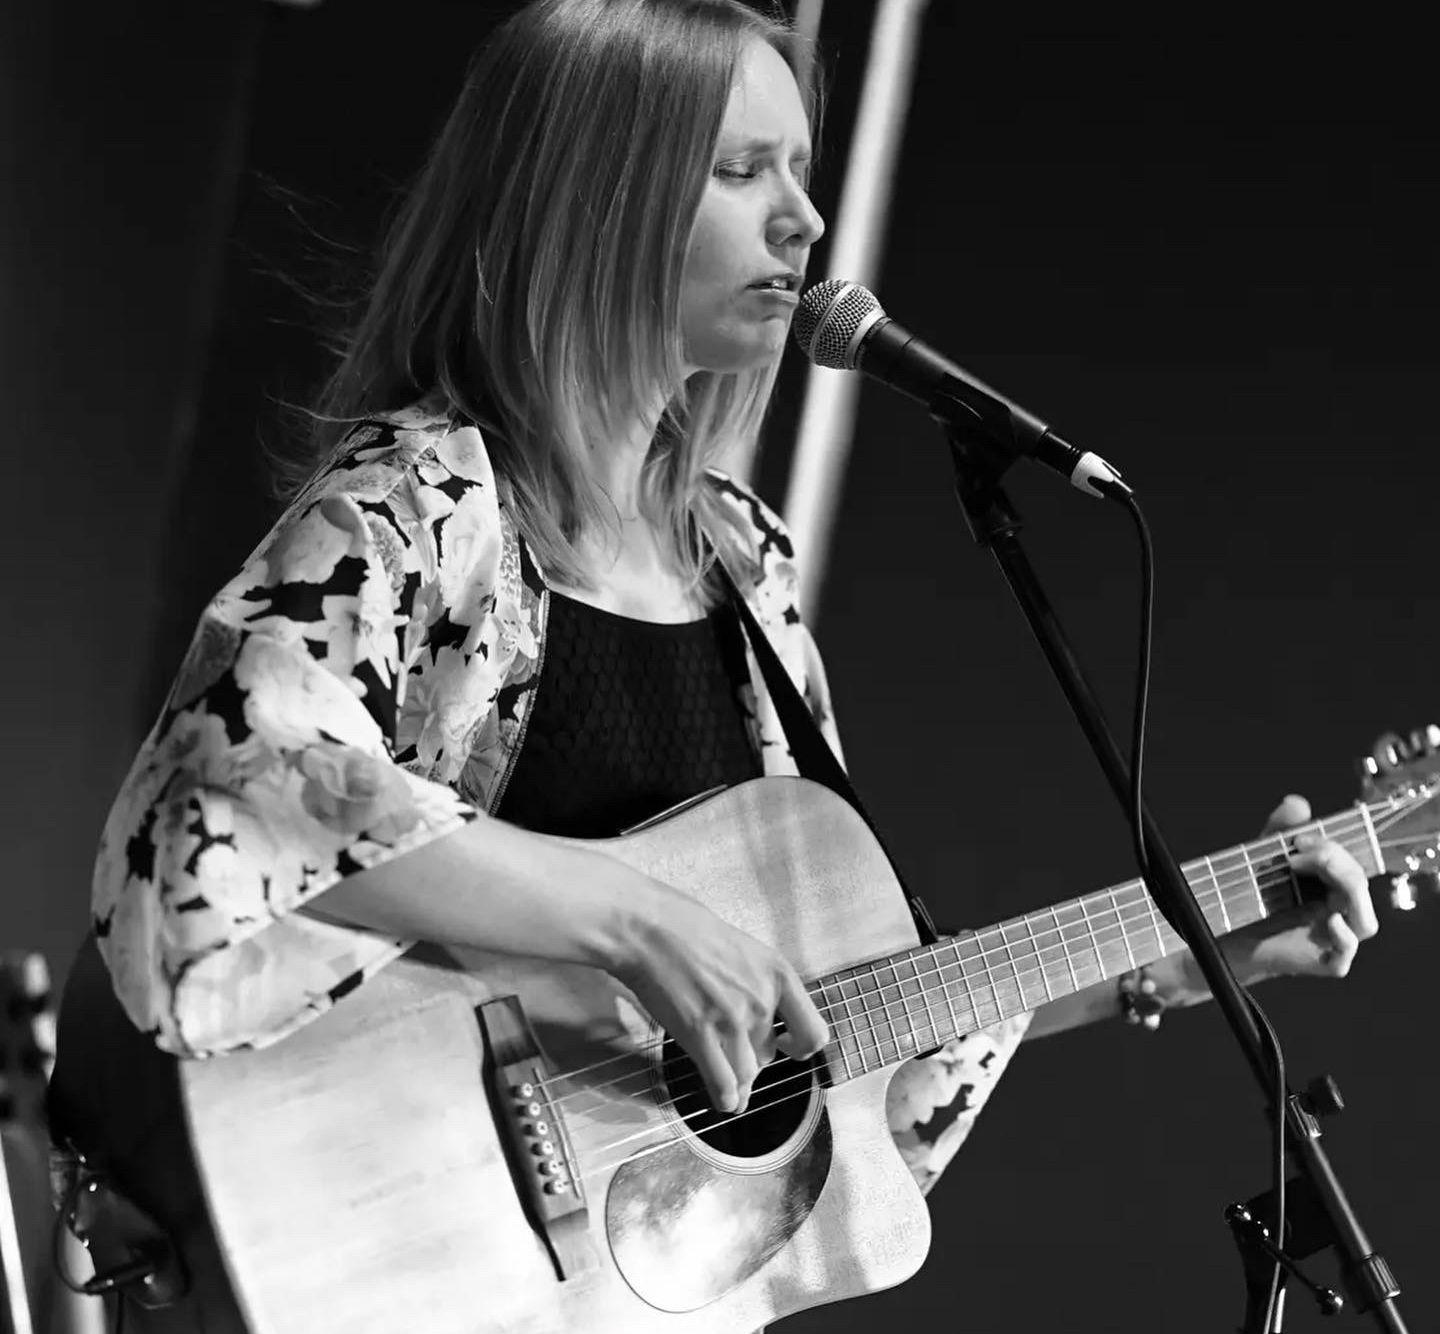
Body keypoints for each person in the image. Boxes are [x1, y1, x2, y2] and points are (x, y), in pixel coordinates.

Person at [53, 0, 1378, 1326]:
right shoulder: (424, 501)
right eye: (744, 171)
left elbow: (829, 1032)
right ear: (594, 199)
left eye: (801, 170)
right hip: (358, 1225)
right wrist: (633, 920)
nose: (805, 220)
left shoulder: (744, 559)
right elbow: (224, 788)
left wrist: (1200, 956)